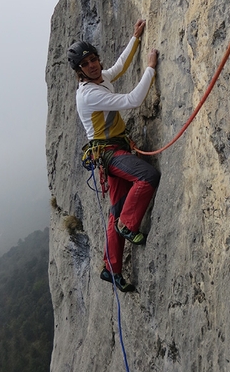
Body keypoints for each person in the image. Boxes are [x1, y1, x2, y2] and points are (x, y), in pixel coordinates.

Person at [67, 20, 161, 292]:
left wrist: (135, 38)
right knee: (148, 176)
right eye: (85, 64)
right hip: (109, 153)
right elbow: (132, 100)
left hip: (114, 149)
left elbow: (118, 67)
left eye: (94, 59)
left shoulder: (100, 79)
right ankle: (128, 225)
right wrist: (151, 69)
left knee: (115, 211)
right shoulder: (89, 95)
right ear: (79, 72)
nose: (93, 65)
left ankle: (111, 268)